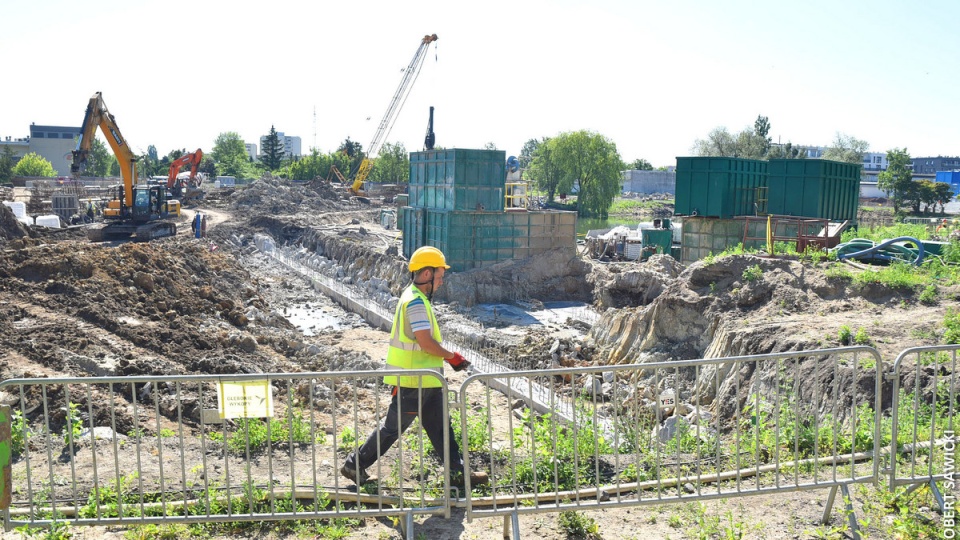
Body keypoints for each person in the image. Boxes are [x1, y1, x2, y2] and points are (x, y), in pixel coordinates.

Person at [341, 246, 488, 488]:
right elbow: (426, 342)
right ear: (427, 274)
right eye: (440, 277)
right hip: (412, 383)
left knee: (441, 429)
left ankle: (459, 473)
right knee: (391, 429)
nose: (441, 282)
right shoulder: (415, 303)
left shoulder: (416, 298)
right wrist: (453, 357)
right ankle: (354, 464)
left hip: (426, 381)